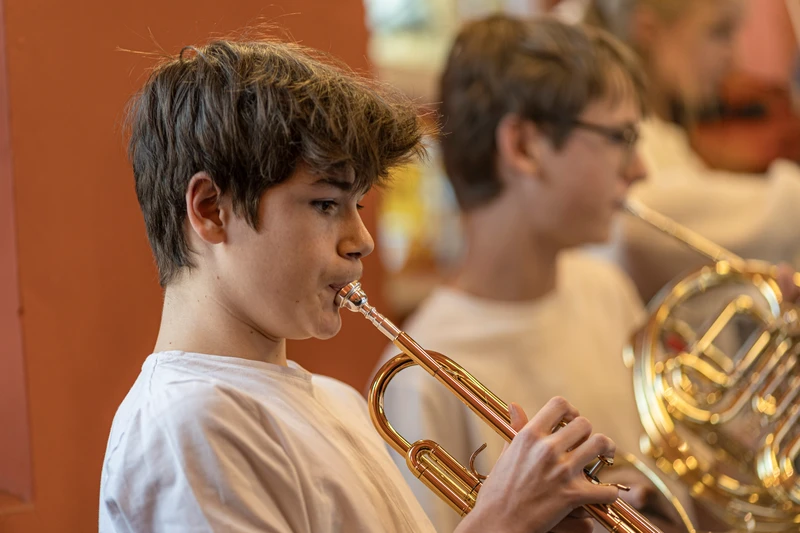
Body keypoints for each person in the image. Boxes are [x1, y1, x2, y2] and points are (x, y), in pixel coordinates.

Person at [98, 37, 621, 533]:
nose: (362, 240)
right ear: (211, 210)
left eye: (359, 206)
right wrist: (502, 518)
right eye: (326, 204)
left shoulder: (336, 400)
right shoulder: (187, 423)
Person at [370, 14, 700, 533]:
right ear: (523, 146)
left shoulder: (604, 288)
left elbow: (670, 485)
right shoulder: (419, 374)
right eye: (621, 137)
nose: (640, 169)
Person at [582, 0, 800, 301]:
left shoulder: (669, 138)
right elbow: (638, 216)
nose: (735, 59)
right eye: (719, 33)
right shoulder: (625, 147)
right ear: (649, 29)